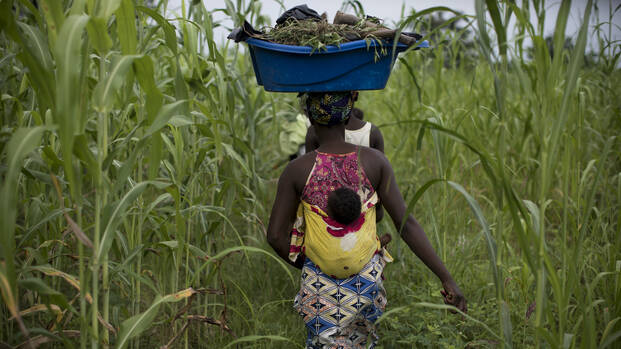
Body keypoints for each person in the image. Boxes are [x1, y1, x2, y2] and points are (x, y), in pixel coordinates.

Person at [267, 91, 466, 348]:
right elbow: (407, 225)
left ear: (311, 118)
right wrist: (446, 278)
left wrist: (308, 266)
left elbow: (274, 235)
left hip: (319, 288)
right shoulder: (375, 162)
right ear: (348, 114)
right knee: (363, 343)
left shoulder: (297, 170)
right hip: (366, 284)